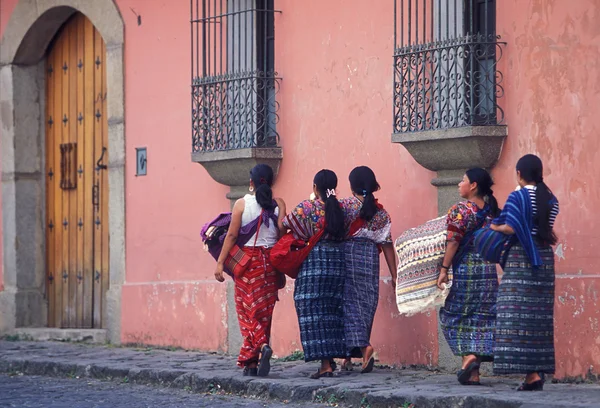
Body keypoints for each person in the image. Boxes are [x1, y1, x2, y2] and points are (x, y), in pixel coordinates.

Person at [490, 154, 559, 391]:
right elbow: (544, 227)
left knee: (514, 314)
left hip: (522, 258)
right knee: (538, 320)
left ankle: (531, 375)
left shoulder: (517, 196)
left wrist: (494, 226)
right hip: (544, 259)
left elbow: (511, 227)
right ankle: (535, 373)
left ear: (519, 173)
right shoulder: (551, 199)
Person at [214, 164, 287, 377]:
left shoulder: (242, 204)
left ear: (251, 182)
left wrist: (220, 262)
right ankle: (251, 362)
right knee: (264, 314)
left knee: (247, 312)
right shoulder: (279, 204)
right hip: (270, 264)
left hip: (248, 264)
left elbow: (232, 236)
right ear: (271, 182)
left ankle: (262, 346)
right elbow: (282, 234)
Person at [282, 169, 348, 379]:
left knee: (311, 310)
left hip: (314, 262)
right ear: (335, 188)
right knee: (332, 311)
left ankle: (325, 364)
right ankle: (329, 362)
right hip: (337, 263)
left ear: (314, 188)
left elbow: (285, 225)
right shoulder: (342, 209)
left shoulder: (307, 207)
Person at [437, 168, 500, 385]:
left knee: (453, 314)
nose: (459, 184)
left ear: (473, 185)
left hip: (466, 270)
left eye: (462, 180)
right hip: (488, 271)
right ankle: (473, 372)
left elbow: (453, 241)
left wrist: (444, 268)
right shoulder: (492, 211)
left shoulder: (460, 210)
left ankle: (468, 357)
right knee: (481, 319)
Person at [339, 166, 396, 373]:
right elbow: (388, 244)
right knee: (365, 305)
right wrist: (394, 275)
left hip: (348, 257)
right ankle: (348, 356)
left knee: (347, 305)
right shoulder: (381, 213)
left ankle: (364, 348)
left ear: (352, 185)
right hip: (371, 259)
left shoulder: (344, 206)